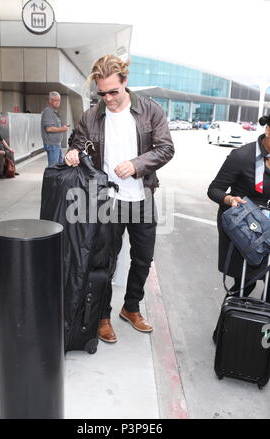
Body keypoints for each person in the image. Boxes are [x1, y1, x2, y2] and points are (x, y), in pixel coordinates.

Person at [64, 54, 174, 343]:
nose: (109, 99)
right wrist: (74, 153)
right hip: (107, 200)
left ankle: (131, 308)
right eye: (102, 93)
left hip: (142, 198)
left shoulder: (150, 111)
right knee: (104, 261)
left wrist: (136, 165)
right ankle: (102, 316)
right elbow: (77, 144)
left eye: (114, 91)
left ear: (125, 81)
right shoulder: (91, 116)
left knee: (142, 259)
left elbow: (165, 149)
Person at [207, 115, 270, 343]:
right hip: (245, 228)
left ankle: (260, 343)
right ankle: (224, 334)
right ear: (268, 130)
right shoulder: (242, 156)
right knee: (245, 283)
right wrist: (229, 200)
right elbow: (214, 190)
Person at [41, 91, 70, 166]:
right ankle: (51, 178)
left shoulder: (53, 112)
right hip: (52, 145)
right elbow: (49, 129)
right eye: (55, 100)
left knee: (58, 167)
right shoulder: (48, 111)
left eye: (59, 100)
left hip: (56, 144)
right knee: (53, 169)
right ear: (50, 101)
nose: (58, 102)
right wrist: (62, 129)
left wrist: (63, 127)